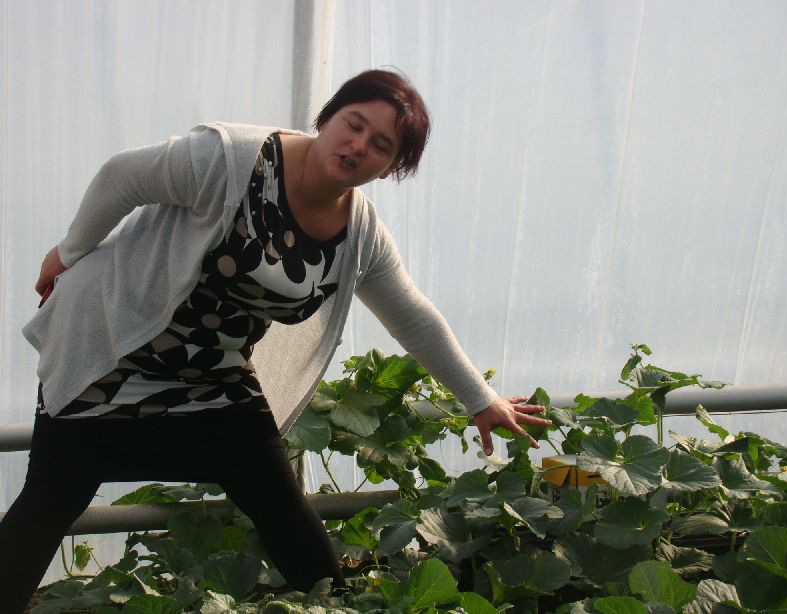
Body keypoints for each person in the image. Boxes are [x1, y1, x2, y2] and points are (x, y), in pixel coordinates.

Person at [0, 69, 551, 611]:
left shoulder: (360, 234)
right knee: (49, 504)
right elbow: (121, 177)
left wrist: (481, 399)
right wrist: (68, 252)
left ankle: (336, 606)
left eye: (381, 145)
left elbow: (412, 316)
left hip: (213, 380)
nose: (359, 145)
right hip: (108, 355)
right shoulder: (230, 160)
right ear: (327, 117)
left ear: (391, 167)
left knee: (280, 502)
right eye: (353, 124)